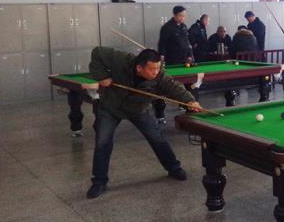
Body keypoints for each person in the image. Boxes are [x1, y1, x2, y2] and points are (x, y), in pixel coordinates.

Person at [86, 47, 202, 199]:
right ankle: (99, 182)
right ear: (139, 68)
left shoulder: (159, 76)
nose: (156, 72)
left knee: (157, 138)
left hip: (138, 108)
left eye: (158, 68)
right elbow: (97, 52)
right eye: (152, 69)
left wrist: (190, 100)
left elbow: (173, 86)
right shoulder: (121, 60)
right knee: (103, 142)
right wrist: (102, 77)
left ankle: (174, 168)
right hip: (111, 106)